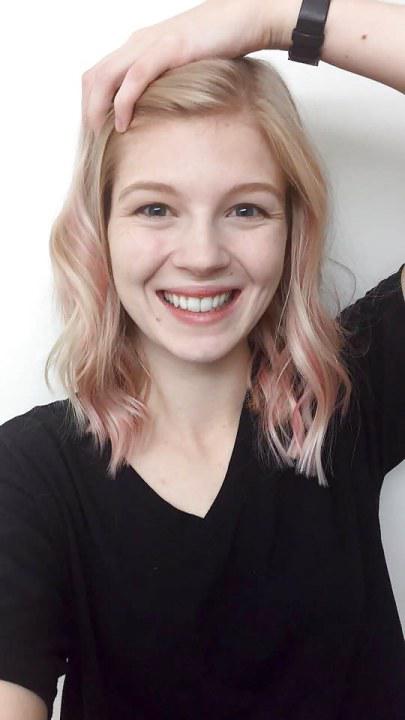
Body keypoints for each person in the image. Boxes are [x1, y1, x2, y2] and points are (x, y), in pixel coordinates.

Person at [0, 0, 404, 718]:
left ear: (292, 228)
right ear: (101, 230)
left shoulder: (348, 394)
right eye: (155, 208)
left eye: (246, 209)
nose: (202, 256)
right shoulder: (28, 475)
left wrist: (272, 18)